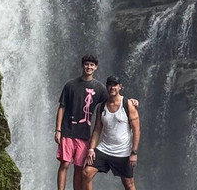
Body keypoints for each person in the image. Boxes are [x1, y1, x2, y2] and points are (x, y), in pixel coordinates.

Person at [55, 55, 107, 190]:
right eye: (86, 64)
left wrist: (130, 102)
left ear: (95, 67)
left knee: (79, 167)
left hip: (84, 134)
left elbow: (112, 100)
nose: (89, 67)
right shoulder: (70, 85)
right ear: (82, 66)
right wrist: (58, 130)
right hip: (67, 130)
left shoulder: (100, 88)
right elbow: (62, 107)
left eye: (92, 65)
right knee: (65, 164)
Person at [83, 75, 140, 190]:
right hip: (104, 149)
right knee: (86, 173)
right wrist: (91, 149)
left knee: (129, 184)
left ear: (120, 87)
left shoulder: (128, 105)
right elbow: (97, 130)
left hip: (122, 152)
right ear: (107, 87)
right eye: (110, 85)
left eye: (115, 85)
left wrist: (133, 152)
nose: (112, 87)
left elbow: (136, 130)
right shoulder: (101, 106)